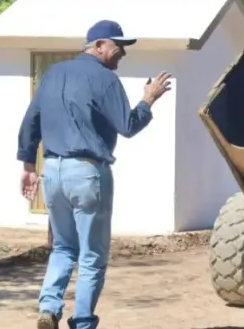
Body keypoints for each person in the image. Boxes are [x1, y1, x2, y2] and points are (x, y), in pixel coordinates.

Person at [17, 20, 173, 329]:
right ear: (99, 45)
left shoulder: (53, 73)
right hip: (87, 173)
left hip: (53, 172)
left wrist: (28, 166)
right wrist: (149, 98)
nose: (122, 54)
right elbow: (128, 126)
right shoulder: (104, 79)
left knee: (62, 246)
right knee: (91, 255)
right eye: (119, 47)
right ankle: (83, 322)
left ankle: (49, 308)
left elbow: (31, 119)